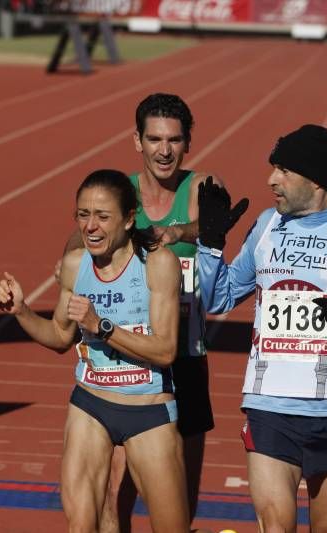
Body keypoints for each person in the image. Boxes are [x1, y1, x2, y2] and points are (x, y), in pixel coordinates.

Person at [196, 125, 327, 531]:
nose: (270, 180)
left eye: (282, 170)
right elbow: (217, 299)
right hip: (269, 403)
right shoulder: (265, 225)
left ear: (314, 179)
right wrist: (210, 244)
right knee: (275, 525)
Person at [0, 169, 189, 532]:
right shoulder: (75, 265)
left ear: (129, 219)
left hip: (147, 411)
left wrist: (102, 326)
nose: (91, 227)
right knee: (82, 524)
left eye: (102, 216)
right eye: (83, 215)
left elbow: (165, 351)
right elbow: (59, 337)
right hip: (91, 404)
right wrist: (21, 311)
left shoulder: (158, 264)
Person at [62, 93, 223, 532]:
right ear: (137, 141)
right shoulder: (120, 192)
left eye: (173, 140)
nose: (164, 150)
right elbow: (80, 239)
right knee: (113, 488)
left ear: (188, 142)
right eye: (154, 139)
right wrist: (68, 261)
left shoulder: (203, 188)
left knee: (178, 492)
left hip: (184, 354)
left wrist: (175, 232)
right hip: (126, 362)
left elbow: (213, 224)